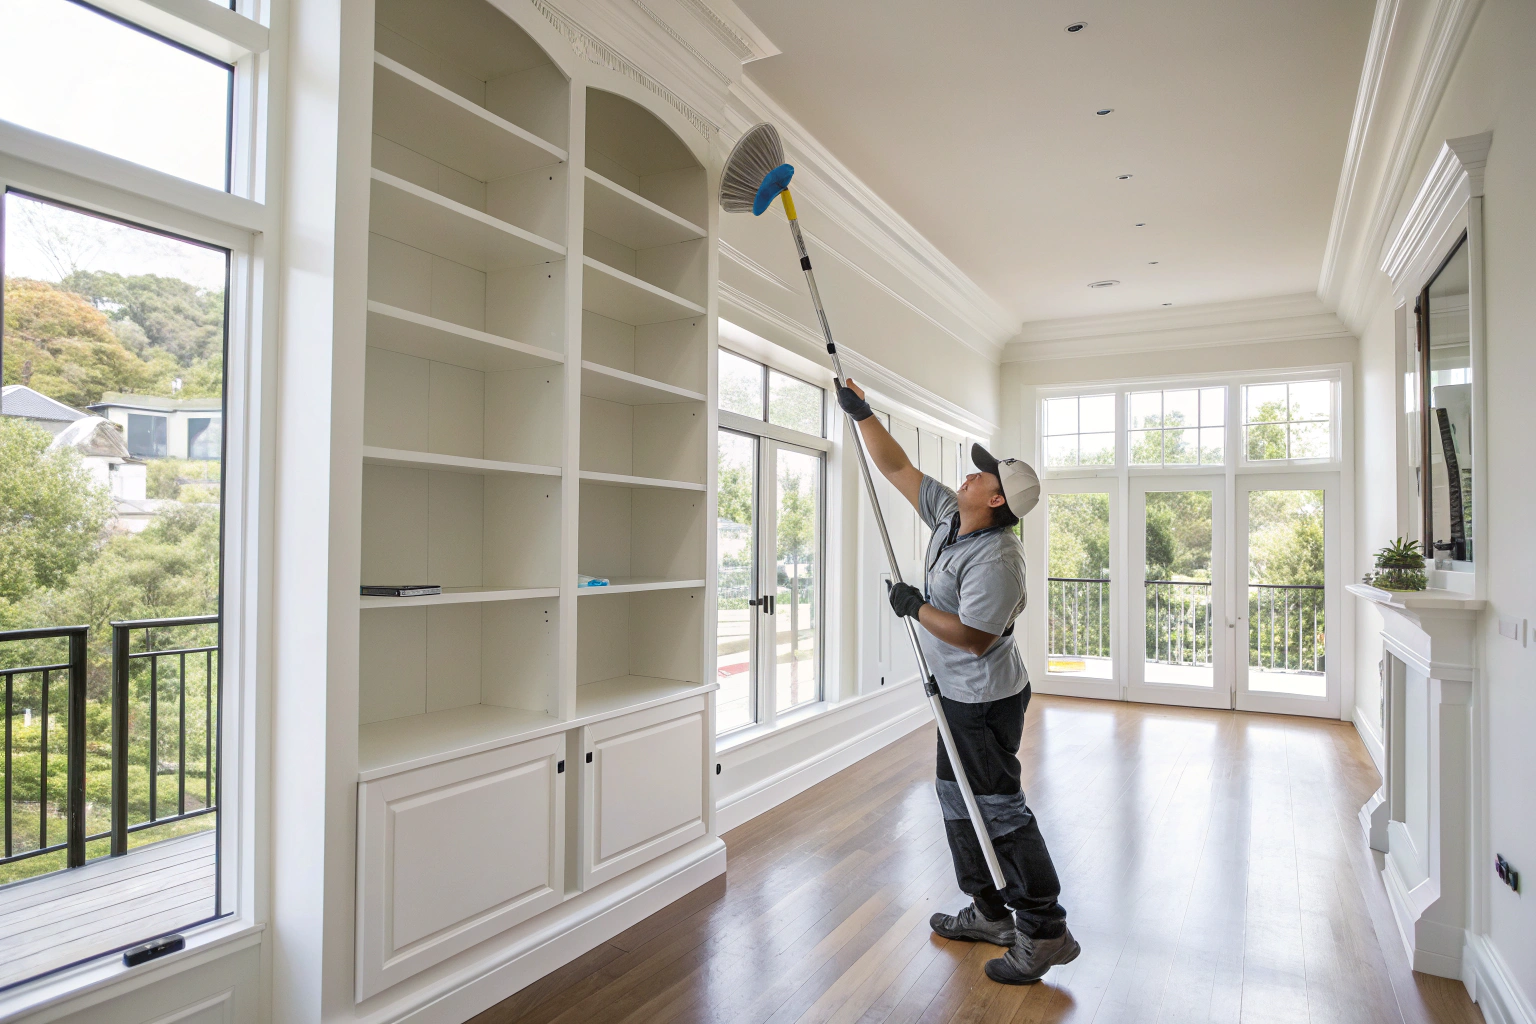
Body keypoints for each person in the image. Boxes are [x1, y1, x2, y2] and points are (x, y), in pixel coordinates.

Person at [837, 378, 1077, 985]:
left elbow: (974, 636)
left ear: (996, 502)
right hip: (956, 695)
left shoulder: (998, 559)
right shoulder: (951, 516)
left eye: (981, 476)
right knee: (956, 800)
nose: (968, 477)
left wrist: (915, 607)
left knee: (997, 809)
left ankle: (1045, 930)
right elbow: (897, 468)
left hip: (985, 700)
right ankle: (991, 913)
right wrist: (864, 414)